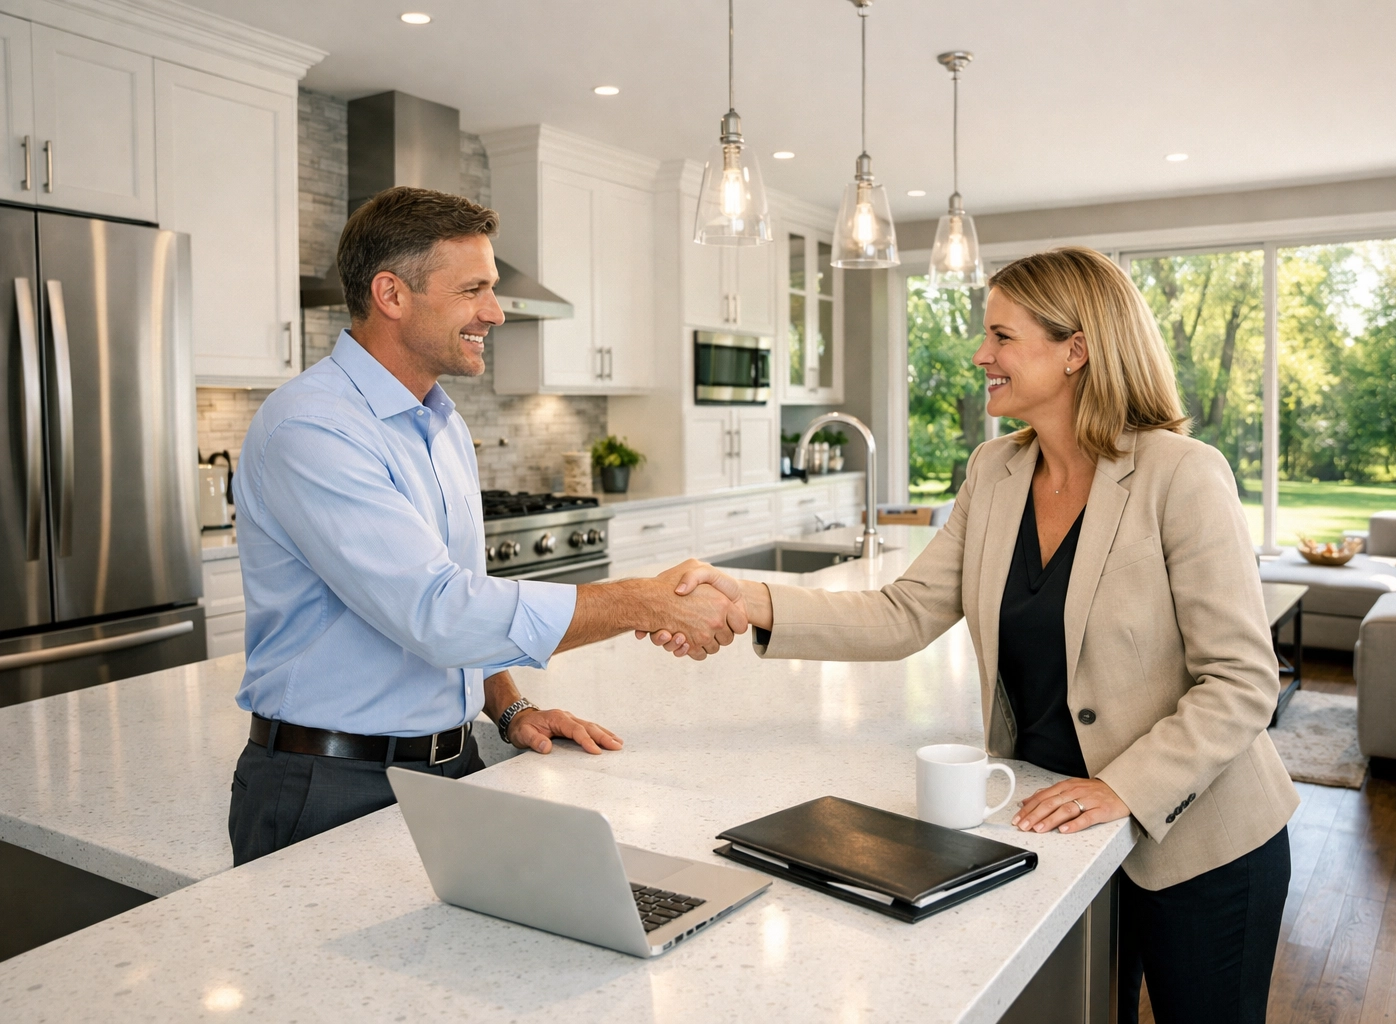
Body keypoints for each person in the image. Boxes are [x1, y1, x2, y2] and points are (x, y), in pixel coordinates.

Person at [661, 247, 1299, 1023]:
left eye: (1001, 336)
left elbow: (1241, 681)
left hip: (1202, 838)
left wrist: (1123, 788)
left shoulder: (1181, 474)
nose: (980, 355)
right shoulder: (995, 471)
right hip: (1055, 822)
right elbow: (904, 612)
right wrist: (753, 598)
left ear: (1076, 349)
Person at [228, 186, 746, 866]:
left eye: (493, 288)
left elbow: (463, 601)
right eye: (473, 289)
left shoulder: (440, 422)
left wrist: (509, 707)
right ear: (391, 294)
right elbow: (438, 614)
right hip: (328, 785)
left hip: (455, 767)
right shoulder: (313, 428)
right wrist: (641, 601)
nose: (495, 312)